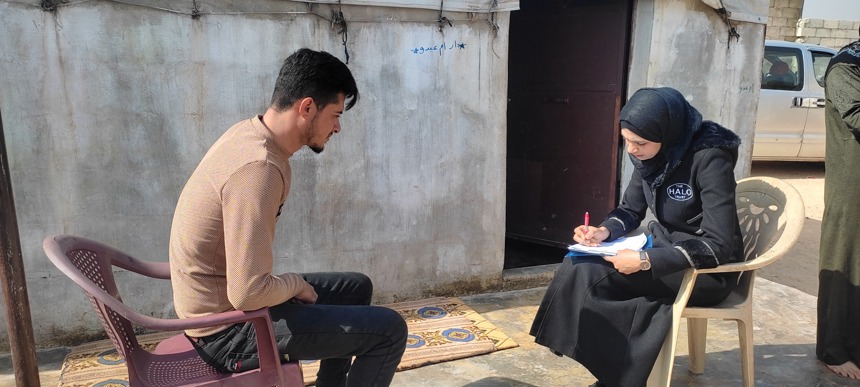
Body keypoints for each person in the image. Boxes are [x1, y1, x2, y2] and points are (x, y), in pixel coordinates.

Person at [169, 48, 407, 387]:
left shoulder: (249, 134)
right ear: (307, 107)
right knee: (389, 330)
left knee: (356, 287)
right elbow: (248, 294)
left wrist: (293, 286)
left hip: (223, 308)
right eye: (335, 115)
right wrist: (295, 284)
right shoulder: (258, 169)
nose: (338, 127)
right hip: (225, 334)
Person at [529, 87, 744, 387]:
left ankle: (621, 377)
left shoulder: (710, 158)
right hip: (666, 249)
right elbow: (630, 209)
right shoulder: (650, 156)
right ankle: (616, 374)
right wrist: (603, 231)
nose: (631, 150)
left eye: (639, 143)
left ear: (667, 134)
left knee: (599, 281)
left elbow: (718, 245)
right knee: (577, 263)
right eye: (626, 140)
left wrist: (645, 260)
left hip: (706, 270)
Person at [817, 30, 860, 380]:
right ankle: (832, 349)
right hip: (851, 185)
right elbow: (857, 115)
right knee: (843, 262)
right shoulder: (846, 66)